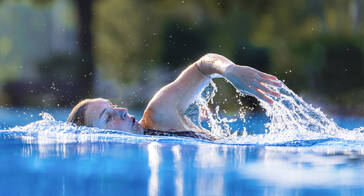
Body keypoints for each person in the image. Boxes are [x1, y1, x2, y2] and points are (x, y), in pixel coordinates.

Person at [67, 53, 281, 140]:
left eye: (114, 106)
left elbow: (203, 65)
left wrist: (229, 70)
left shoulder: (158, 114)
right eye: (108, 116)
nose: (122, 111)